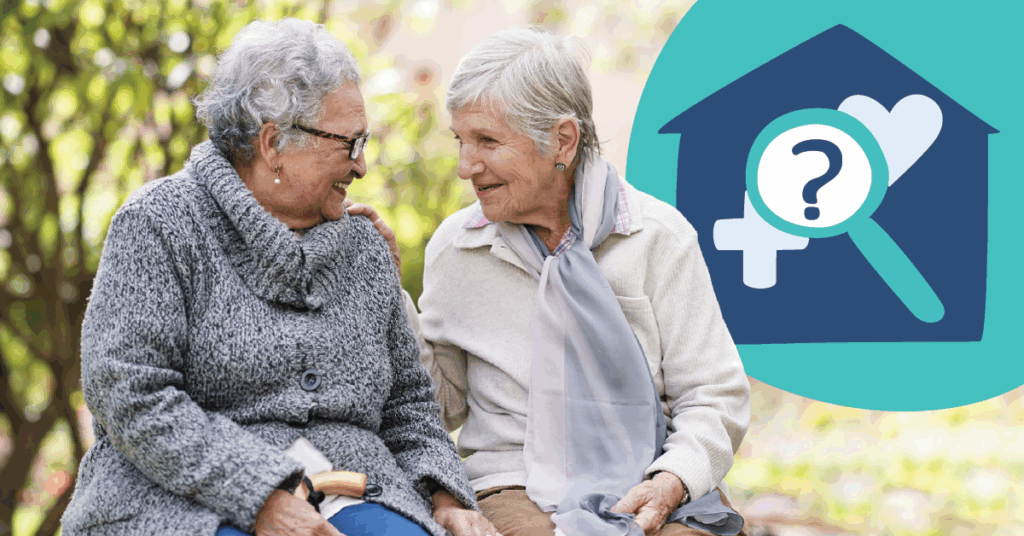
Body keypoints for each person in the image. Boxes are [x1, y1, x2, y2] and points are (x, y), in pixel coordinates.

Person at [60, 18, 500, 536]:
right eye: (349, 144)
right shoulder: (159, 225)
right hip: (185, 497)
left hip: (358, 489)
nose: (361, 167)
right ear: (273, 144)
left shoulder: (363, 246)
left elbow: (407, 404)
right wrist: (262, 495)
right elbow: (131, 394)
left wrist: (446, 498)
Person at [357, 27, 751, 536]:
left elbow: (713, 395)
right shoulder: (459, 248)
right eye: (461, 140)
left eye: (487, 141)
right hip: (512, 482)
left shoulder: (657, 238)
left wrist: (671, 480)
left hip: (651, 475)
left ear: (562, 139)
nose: (464, 167)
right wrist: (390, 295)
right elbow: (440, 407)